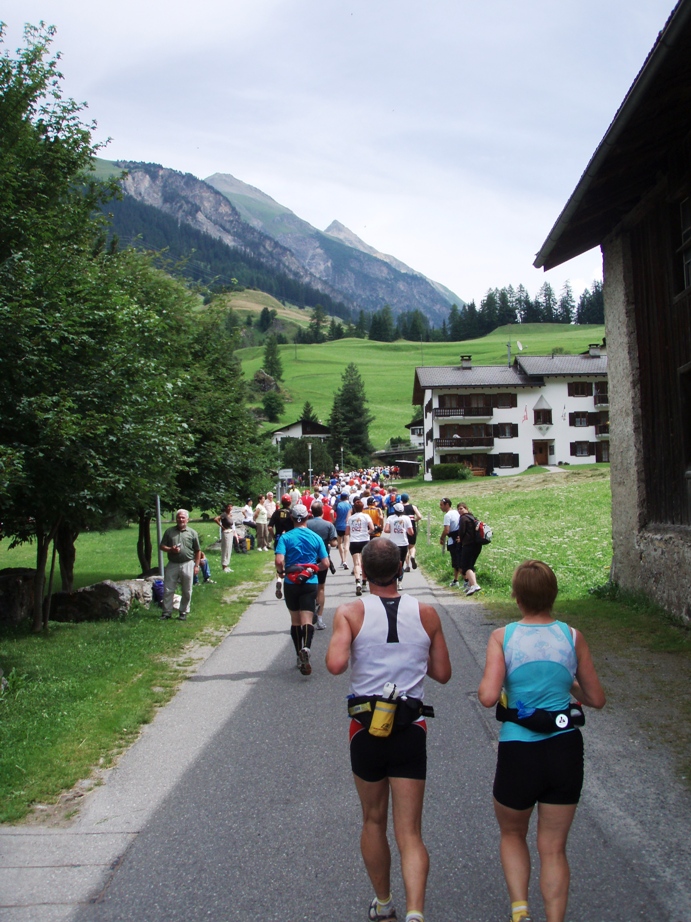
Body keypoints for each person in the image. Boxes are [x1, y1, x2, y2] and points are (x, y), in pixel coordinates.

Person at [325, 539, 452, 922]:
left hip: (366, 728)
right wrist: (412, 657)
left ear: (364, 570)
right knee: (410, 831)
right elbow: (443, 673)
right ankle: (416, 912)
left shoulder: (349, 612)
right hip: (410, 727)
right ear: (400, 568)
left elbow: (334, 664)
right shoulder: (427, 613)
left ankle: (384, 904)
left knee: (373, 820)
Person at [478, 560, 606, 922]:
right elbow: (596, 699)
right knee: (553, 848)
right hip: (564, 748)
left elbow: (487, 697)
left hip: (520, 748)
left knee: (513, 834)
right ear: (553, 595)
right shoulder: (572, 636)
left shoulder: (503, 637)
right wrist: (568, 684)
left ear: (516, 597)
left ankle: (520, 910)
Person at [275, 504, 329, 675]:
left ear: (291, 518)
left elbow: (278, 560)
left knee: (295, 620)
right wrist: (312, 568)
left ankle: (299, 654)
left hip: (291, 583)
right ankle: (306, 647)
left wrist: (281, 572)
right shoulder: (315, 537)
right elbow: (325, 563)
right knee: (307, 618)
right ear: (308, 517)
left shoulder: (285, 538)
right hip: (309, 582)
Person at [159, 509, 201, 621]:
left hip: (187, 563)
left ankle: (183, 612)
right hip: (173, 564)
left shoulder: (192, 533)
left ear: (187, 519)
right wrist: (170, 549)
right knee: (168, 589)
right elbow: (162, 546)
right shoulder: (169, 532)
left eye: (183, 517)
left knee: (187, 590)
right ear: (176, 519)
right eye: (179, 517)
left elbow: (198, 551)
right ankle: (166, 612)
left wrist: (196, 566)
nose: (180, 519)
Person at [306, 501, 337, 629]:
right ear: (322, 512)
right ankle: (319, 618)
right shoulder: (328, 525)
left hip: (308, 559)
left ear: (311, 512)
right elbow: (334, 543)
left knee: (307, 587)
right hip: (322, 560)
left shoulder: (306, 524)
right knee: (321, 588)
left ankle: (307, 617)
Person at [346, 499, 375, 596]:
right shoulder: (366, 516)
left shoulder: (350, 518)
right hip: (364, 540)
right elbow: (372, 528)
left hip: (354, 541)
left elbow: (347, 532)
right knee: (364, 563)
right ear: (362, 508)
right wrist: (367, 532)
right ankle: (364, 584)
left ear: (354, 508)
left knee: (356, 563)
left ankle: (357, 581)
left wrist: (354, 531)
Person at [384, 502, 413, 591]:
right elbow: (411, 532)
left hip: (393, 543)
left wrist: (393, 530)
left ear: (394, 510)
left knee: (393, 563)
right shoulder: (406, 518)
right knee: (401, 563)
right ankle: (399, 583)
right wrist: (403, 530)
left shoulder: (390, 518)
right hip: (403, 543)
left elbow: (386, 530)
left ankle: (392, 581)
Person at [456, 502, 482, 596]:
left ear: (466, 508)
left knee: (465, 566)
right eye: (458, 509)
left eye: (461, 508)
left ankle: (474, 585)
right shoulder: (473, 517)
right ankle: (471, 586)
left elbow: (462, 531)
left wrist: (460, 539)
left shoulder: (463, 518)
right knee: (471, 565)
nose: (460, 510)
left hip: (468, 545)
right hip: (477, 545)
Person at [438, 498, 462, 588]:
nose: (440, 507)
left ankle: (467, 581)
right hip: (459, 538)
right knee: (457, 561)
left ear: (447, 504)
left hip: (453, 539)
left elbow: (447, 530)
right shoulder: (456, 512)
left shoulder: (447, 515)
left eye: (441, 505)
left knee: (456, 561)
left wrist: (442, 538)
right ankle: (456, 580)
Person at [400, 493, 422, 571]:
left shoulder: (400, 507)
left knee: (406, 547)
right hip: (412, 528)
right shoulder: (413, 507)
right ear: (408, 499)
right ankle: (412, 556)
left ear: (401, 500)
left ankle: (407, 566)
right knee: (412, 546)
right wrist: (414, 520)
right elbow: (419, 516)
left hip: (403, 529)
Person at [213, 503, 236, 572]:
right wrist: (222, 526)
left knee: (229, 548)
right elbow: (216, 519)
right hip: (226, 532)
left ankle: (227, 565)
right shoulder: (224, 515)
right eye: (228, 506)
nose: (230, 508)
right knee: (225, 548)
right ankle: (224, 565)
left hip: (230, 531)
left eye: (231, 506)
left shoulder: (230, 515)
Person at [335, 492, 352, 569]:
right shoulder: (349, 505)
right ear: (347, 498)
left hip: (339, 525)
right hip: (347, 526)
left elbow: (332, 512)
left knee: (339, 543)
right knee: (346, 543)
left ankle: (342, 560)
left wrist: (334, 520)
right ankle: (345, 560)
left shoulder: (338, 504)